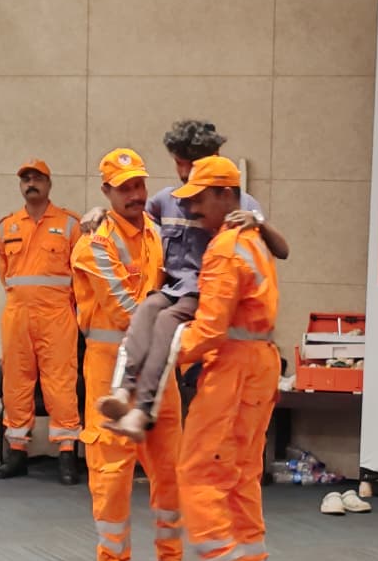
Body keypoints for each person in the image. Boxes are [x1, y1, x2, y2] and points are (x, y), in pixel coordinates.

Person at [86, 119, 289, 441]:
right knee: (147, 310)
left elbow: (282, 250)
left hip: (206, 295)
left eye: (191, 164)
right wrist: (101, 213)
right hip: (173, 288)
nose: (184, 173)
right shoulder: (167, 199)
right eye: (178, 163)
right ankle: (123, 392)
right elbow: (134, 217)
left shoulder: (237, 202)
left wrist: (258, 222)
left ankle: (143, 410)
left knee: (165, 324)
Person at [70, 148, 189, 561]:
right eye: (124, 188)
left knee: (170, 468)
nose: (135, 194)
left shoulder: (157, 233)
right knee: (113, 472)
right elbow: (127, 310)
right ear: (107, 191)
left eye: (139, 184)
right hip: (110, 369)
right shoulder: (94, 243)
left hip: (159, 367)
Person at [166, 156, 281, 561]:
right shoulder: (252, 241)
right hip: (260, 364)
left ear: (227, 195)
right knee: (241, 475)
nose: (192, 208)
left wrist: (169, 353)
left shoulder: (225, 248)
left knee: (197, 470)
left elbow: (210, 329)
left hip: (232, 369)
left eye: (200, 198)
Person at [0, 159, 83, 485]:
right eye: (26, 179)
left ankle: (67, 454)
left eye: (38, 178)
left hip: (57, 314)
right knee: (16, 383)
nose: (31, 183)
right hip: (17, 314)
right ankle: (16, 453)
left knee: (61, 383)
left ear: (49, 183)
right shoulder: (5, 227)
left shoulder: (71, 225)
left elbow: (81, 276)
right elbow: (6, 275)